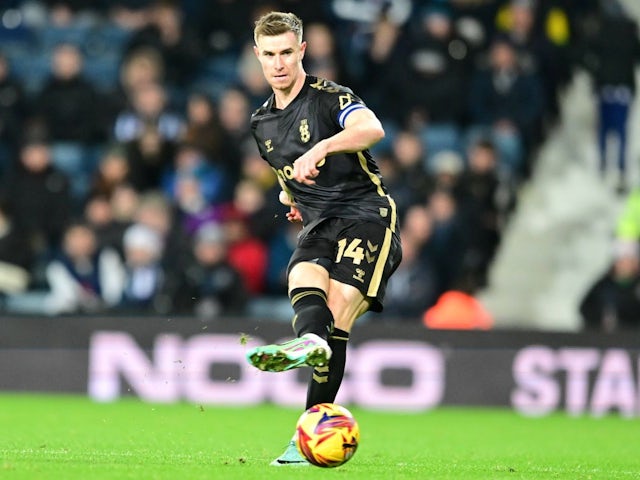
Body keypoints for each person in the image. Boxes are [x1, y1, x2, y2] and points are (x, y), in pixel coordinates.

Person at [245, 12, 402, 466]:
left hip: (366, 215)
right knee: (300, 280)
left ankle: (304, 436)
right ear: (258, 56)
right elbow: (284, 174)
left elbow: (372, 130)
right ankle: (310, 344)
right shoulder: (261, 124)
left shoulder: (330, 97)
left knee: (337, 316)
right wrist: (292, 195)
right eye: (270, 55)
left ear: (302, 52)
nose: (279, 64)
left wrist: (323, 147)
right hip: (318, 221)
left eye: (287, 53)